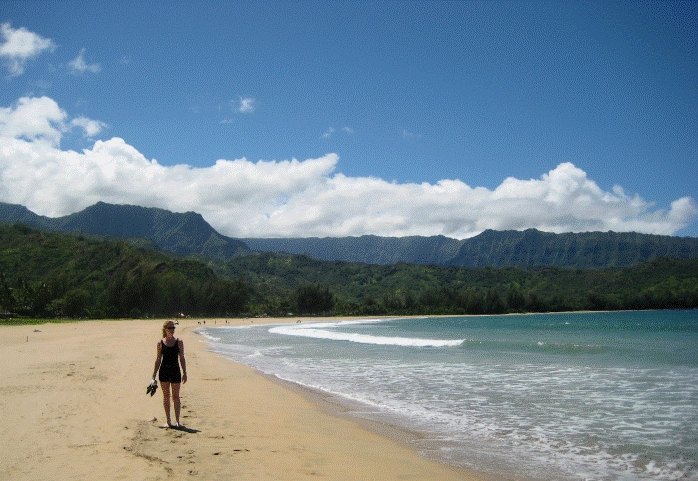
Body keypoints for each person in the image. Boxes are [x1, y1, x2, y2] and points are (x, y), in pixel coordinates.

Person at [152, 321, 187, 427]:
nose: (172, 329)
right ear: (165, 329)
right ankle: (168, 421)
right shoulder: (160, 343)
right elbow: (158, 359)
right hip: (164, 372)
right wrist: (154, 374)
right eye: (170, 327)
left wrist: (185, 372)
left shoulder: (179, 342)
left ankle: (177, 421)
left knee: (176, 397)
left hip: (175, 371)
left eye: (173, 327)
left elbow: (182, 357)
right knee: (166, 396)